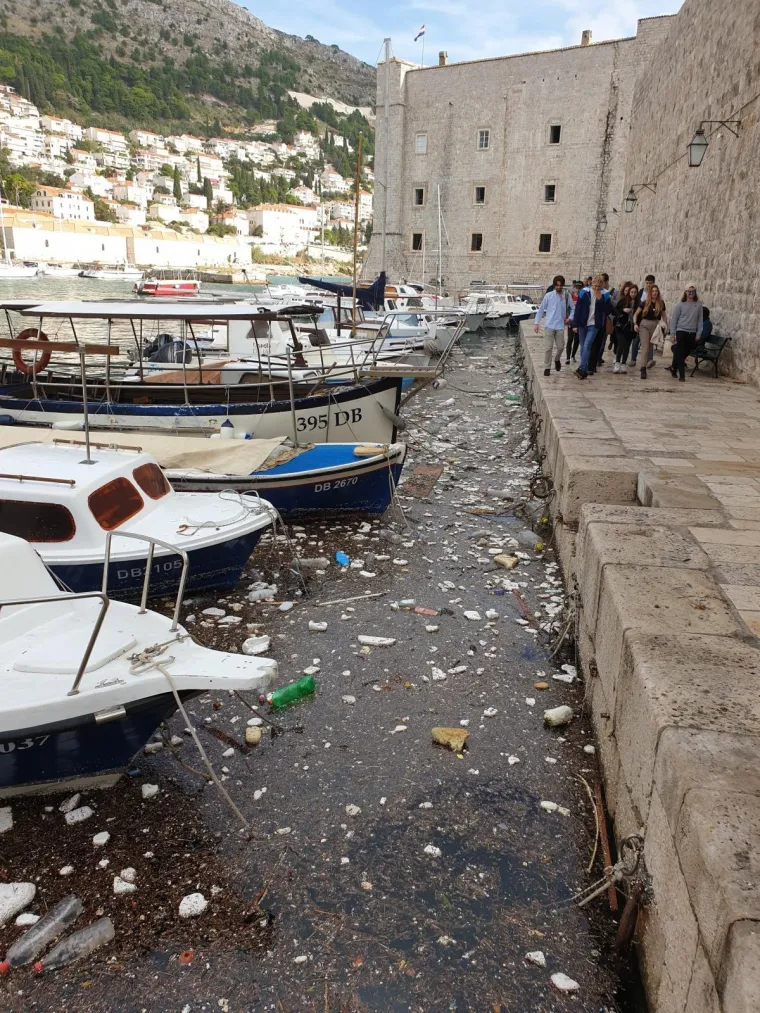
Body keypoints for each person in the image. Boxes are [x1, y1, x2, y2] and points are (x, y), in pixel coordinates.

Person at [573, 274, 613, 380]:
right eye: (594, 286)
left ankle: (582, 369)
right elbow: (578, 308)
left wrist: (600, 299)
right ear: (592, 284)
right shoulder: (584, 292)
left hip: (594, 324)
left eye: (598, 286)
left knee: (587, 345)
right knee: (583, 347)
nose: (596, 288)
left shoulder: (605, 295)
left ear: (601, 285)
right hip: (583, 323)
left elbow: (608, 310)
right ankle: (584, 370)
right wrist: (575, 324)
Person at [534, 274, 572, 376]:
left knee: (560, 347)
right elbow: (541, 309)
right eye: (557, 285)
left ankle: (557, 359)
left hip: (560, 326)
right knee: (548, 348)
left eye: (560, 285)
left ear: (563, 285)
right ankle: (547, 367)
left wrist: (570, 318)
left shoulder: (567, 296)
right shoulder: (548, 296)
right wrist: (536, 323)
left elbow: (573, 309)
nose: (559, 287)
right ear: (554, 285)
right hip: (549, 325)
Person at [668, 284, 703, 381]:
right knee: (680, 350)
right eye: (689, 291)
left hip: (692, 332)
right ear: (685, 292)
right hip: (681, 331)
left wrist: (699, 333)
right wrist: (672, 334)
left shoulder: (699, 304)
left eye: (693, 291)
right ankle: (682, 375)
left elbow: (700, 320)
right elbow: (674, 320)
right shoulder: (679, 305)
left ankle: (674, 366)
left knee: (686, 351)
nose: (691, 293)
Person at [633, 283, 667, 379]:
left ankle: (646, 363)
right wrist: (635, 324)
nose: (654, 293)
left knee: (650, 347)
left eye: (656, 291)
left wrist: (664, 326)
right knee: (645, 347)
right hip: (644, 325)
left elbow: (664, 316)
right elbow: (636, 314)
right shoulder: (644, 303)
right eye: (653, 291)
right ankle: (643, 369)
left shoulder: (661, 303)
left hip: (655, 326)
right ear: (650, 292)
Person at [629, 274, 656, 365]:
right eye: (647, 283)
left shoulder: (655, 294)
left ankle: (649, 360)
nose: (648, 285)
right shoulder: (641, 292)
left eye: (650, 283)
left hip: (651, 321)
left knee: (650, 342)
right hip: (640, 320)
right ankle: (633, 359)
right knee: (636, 341)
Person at [613, 282, 638, 373]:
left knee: (627, 345)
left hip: (631, 328)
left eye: (635, 292)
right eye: (631, 292)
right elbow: (615, 311)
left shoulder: (637, 303)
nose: (633, 294)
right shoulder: (623, 301)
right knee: (621, 344)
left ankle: (623, 363)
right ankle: (617, 363)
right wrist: (623, 310)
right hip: (621, 326)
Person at [565, 283, 580, 363]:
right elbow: (567, 308)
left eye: (579, 288)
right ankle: (567, 357)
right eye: (576, 288)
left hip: (578, 322)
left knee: (577, 340)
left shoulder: (583, 297)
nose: (577, 289)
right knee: (570, 339)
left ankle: (573, 355)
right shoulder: (570, 297)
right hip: (571, 320)